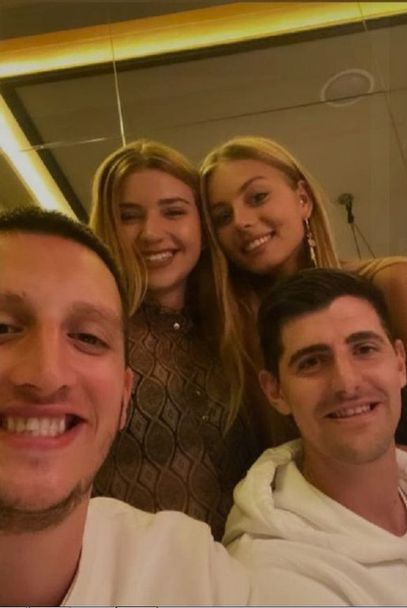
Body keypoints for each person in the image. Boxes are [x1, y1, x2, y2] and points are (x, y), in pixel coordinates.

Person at [199, 135, 407, 502]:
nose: (242, 221)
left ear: (303, 199)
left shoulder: (395, 283)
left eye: (257, 197)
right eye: (222, 217)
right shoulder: (234, 333)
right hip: (303, 520)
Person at [0, 207, 249, 606]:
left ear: (124, 399)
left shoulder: (191, 572)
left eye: (88, 337)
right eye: (3, 328)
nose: (47, 376)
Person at [224, 268, 407, 606]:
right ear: (275, 391)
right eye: (312, 362)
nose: (347, 383)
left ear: (400, 364)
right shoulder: (269, 579)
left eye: (364, 349)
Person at [90, 139, 259, 540]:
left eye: (173, 211)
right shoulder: (90, 338)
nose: (151, 233)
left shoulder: (241, 322)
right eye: (129, 216)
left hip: (257, 561)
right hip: (138, 569)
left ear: (202, 223)